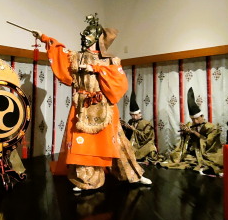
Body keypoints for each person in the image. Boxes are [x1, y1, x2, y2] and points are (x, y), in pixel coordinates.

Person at [33, 13, 151, 191]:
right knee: (84, 143)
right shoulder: (76, 57)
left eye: (88, 35)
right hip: (82, 105)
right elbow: (60, 53)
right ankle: (86, 180)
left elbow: (119, 81)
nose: (84, 38)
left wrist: (96, 69)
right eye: (84, 34)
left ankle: (133, 174)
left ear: (98, 38)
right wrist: (43, 37)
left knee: (116, 140)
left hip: (104, 105)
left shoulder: (110, 60)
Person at [160, 87, 223, 176]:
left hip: (208, 153)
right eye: (193, 119)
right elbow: (187, 142)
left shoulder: (212, 128)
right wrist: (186, 132)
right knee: (185, 159)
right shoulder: (190, 124)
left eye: (197, 119)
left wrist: (195, 133)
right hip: (195, 152)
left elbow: (210, 143)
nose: (195, 122)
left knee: (214, 162)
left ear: (202, 116)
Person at [121, 91, 165, 163]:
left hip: (142, 145)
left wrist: (134, 130)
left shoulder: (146, 123)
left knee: (150, 148)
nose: (134, 117)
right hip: (132, 144)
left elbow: (146, 137)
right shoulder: (130, 121)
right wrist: (124, 127)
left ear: (140, 114)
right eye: (132, 115)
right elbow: (127, 136)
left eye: (136, 115)